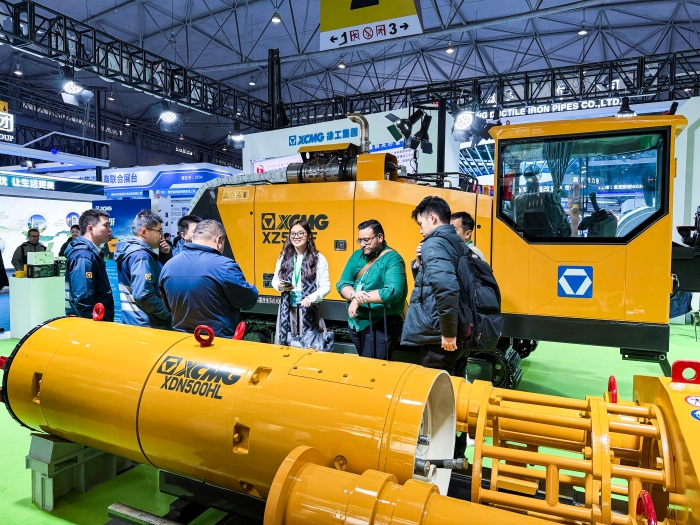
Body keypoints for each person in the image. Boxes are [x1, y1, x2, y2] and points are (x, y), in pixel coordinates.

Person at [402, 196, 470, 459]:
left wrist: (448, 333)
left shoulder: (434, 243)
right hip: (457, 331)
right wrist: (419, 265)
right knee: (455, 394)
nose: (421, 230)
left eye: (421, 223)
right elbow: (431, 286)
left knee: (435, 401)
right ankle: (456, 455)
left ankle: (436, 459)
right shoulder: (456, 242)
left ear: (432, 217)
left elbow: (447, 288)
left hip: (437, 336)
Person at [159, 220, 258, 337]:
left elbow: (168, 306)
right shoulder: (225, 266)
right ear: (219, 240)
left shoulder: (168, 266)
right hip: (219, 342)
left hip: (182, 340)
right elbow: (248, 301)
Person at [337, 220, 407, 360]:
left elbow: (393, 292)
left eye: (367, 240)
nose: (363, 244)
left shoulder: (393, 259)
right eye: (360, 240)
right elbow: (343, 283)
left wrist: (359, 300)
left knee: (375, 368)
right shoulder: (356, 256)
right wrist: (353, 295)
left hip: (381, 323)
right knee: (364, 364)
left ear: (380, 237)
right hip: (356, 323)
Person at [271, 220, 331, 345]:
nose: (296, 237)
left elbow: (326, 286)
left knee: (310, 346)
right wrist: (280, 286)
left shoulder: (318, 258)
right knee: (287, 346)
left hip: (310, 309)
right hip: (288, 309)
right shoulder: (283, 257)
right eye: (293, 234)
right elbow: (275, 280)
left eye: (300, 233)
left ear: (309, 236)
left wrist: (311, 297)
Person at [114, 210, 172, 329]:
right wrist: (169, 314)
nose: (161, 236)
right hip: (148, 324)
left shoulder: (129, 251)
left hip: (134, 320)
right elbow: (144, 296)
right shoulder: (141, 256)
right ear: (144, 232)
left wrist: (165, 255)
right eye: (159, 231)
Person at [65, 209, 114, 321]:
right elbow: (83, 299)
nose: (109, 229)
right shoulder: (83, 255)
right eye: (105, 225)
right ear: (90, 228)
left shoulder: (91, 253)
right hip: (91, 324)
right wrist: (92, 323)